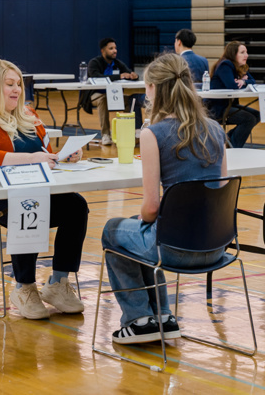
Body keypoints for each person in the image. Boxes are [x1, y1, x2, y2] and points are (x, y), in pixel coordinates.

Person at [101, 53, 227, 344]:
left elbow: (152, 208)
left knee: (114, 230)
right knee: (141, 231)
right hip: (216, 246)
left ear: (155, 89)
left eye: (147, 87)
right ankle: (162, 317)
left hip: (175, 249)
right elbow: (218, 193)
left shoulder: (153, 134)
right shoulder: (217, 130)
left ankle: (140, 318)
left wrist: (144, 220)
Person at [0, 59, 88, 320]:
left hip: (28, 191)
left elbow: (44, 155)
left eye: (19, 84)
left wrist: (64, 155)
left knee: (76, 205)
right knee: (29, 202)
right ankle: (24, 286)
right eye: (9, 84)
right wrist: (33, 160)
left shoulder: (29, 117)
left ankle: (58, 283)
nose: (16, 89)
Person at [83, 37, 141, 146]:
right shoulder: (94, 62)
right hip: (95, 95)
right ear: (103, 51)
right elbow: (96, 76)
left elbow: (128, 73)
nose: (115, 51)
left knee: (131, 99)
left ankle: (130, 133)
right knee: (103, 99)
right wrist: (119, 76)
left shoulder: (118, 63)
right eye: (111, 48)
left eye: (115, 48)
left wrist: (134, 75)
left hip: (114, 95)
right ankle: (105, 134)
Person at [208, 41, 257, 148]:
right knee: (249, 119)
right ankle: (234, 147)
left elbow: (253, 81)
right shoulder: (225, 65)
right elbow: (232, 85)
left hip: (230, 105)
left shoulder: (240, 66)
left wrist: (244, 81)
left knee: (257, 115)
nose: (246, 55)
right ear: (233, 54)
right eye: (242, 52)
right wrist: (241, 81)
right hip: (217, 108)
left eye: (246, 52)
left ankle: (229, 140)